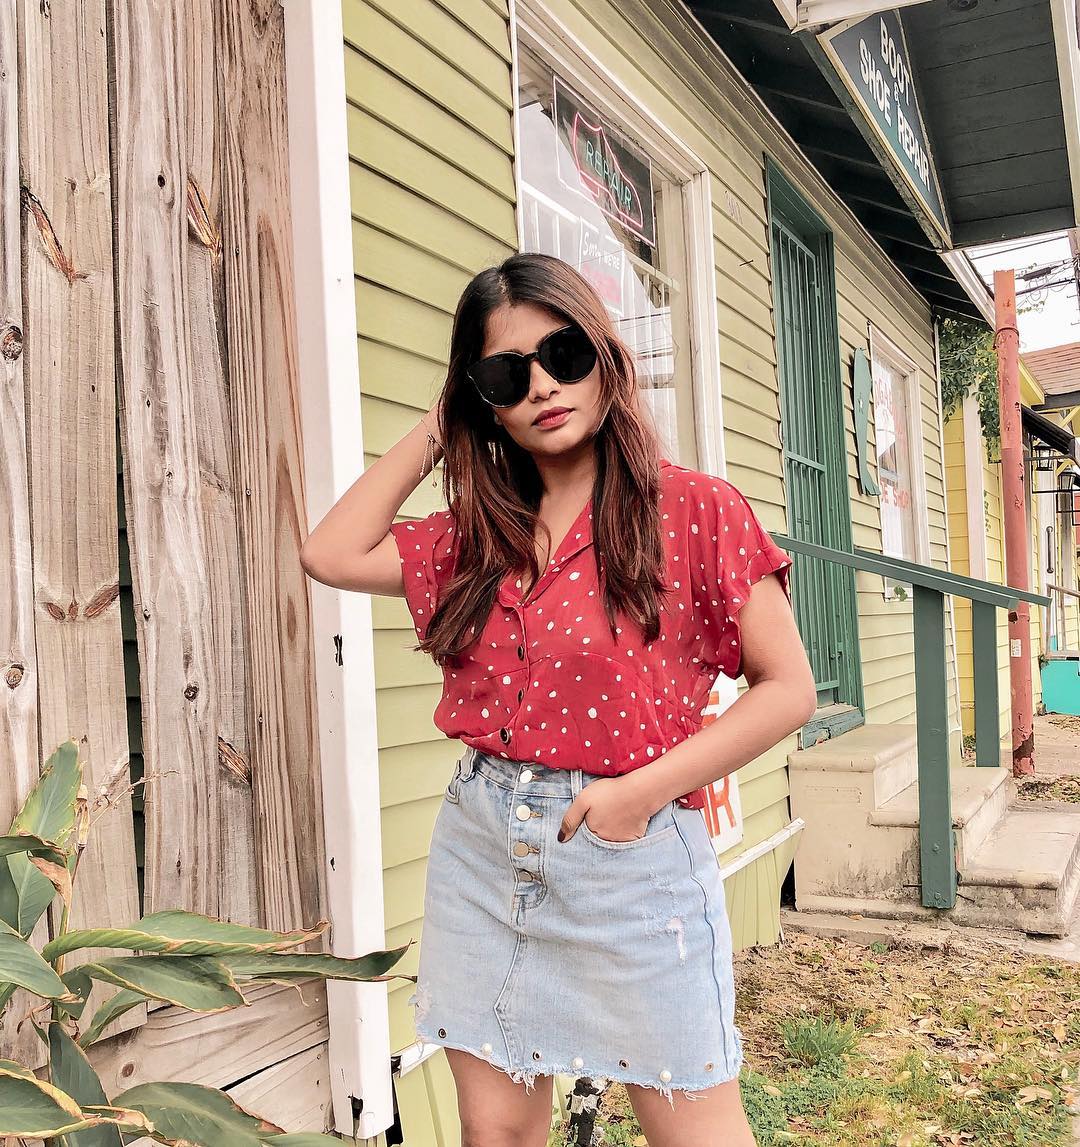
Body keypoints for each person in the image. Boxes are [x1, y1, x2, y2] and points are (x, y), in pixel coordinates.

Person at [300, 252, 817, 1147]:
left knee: (696, 1129)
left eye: (564, 353)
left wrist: (640, 793)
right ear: (484, 398)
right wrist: (444, 422)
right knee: (495, 1130)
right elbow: (332, 552)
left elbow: (788, 691)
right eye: (507, 373)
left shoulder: (696, 510)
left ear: (606, 356)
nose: (542, 384)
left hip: (631, 854)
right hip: (482, 850)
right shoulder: (478, 533)